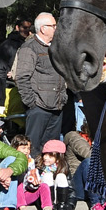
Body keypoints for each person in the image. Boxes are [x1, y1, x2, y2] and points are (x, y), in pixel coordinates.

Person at [12, 13, 67, 156]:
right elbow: (22, 77)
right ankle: (31, 177)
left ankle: (47, 177)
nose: (56, 28)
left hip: (57, 106)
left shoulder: (56, 47)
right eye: (53, 26)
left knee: (51, 151)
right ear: (43, 28)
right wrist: (32, 103)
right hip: (39, 108)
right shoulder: (29, 47)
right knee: (33, 149)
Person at [0, 19, 33, 106]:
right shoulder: (7, 45)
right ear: (17, 27)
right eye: (24, 27)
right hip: (11, 88)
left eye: (29, 28)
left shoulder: (32, 44)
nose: (26, 31)